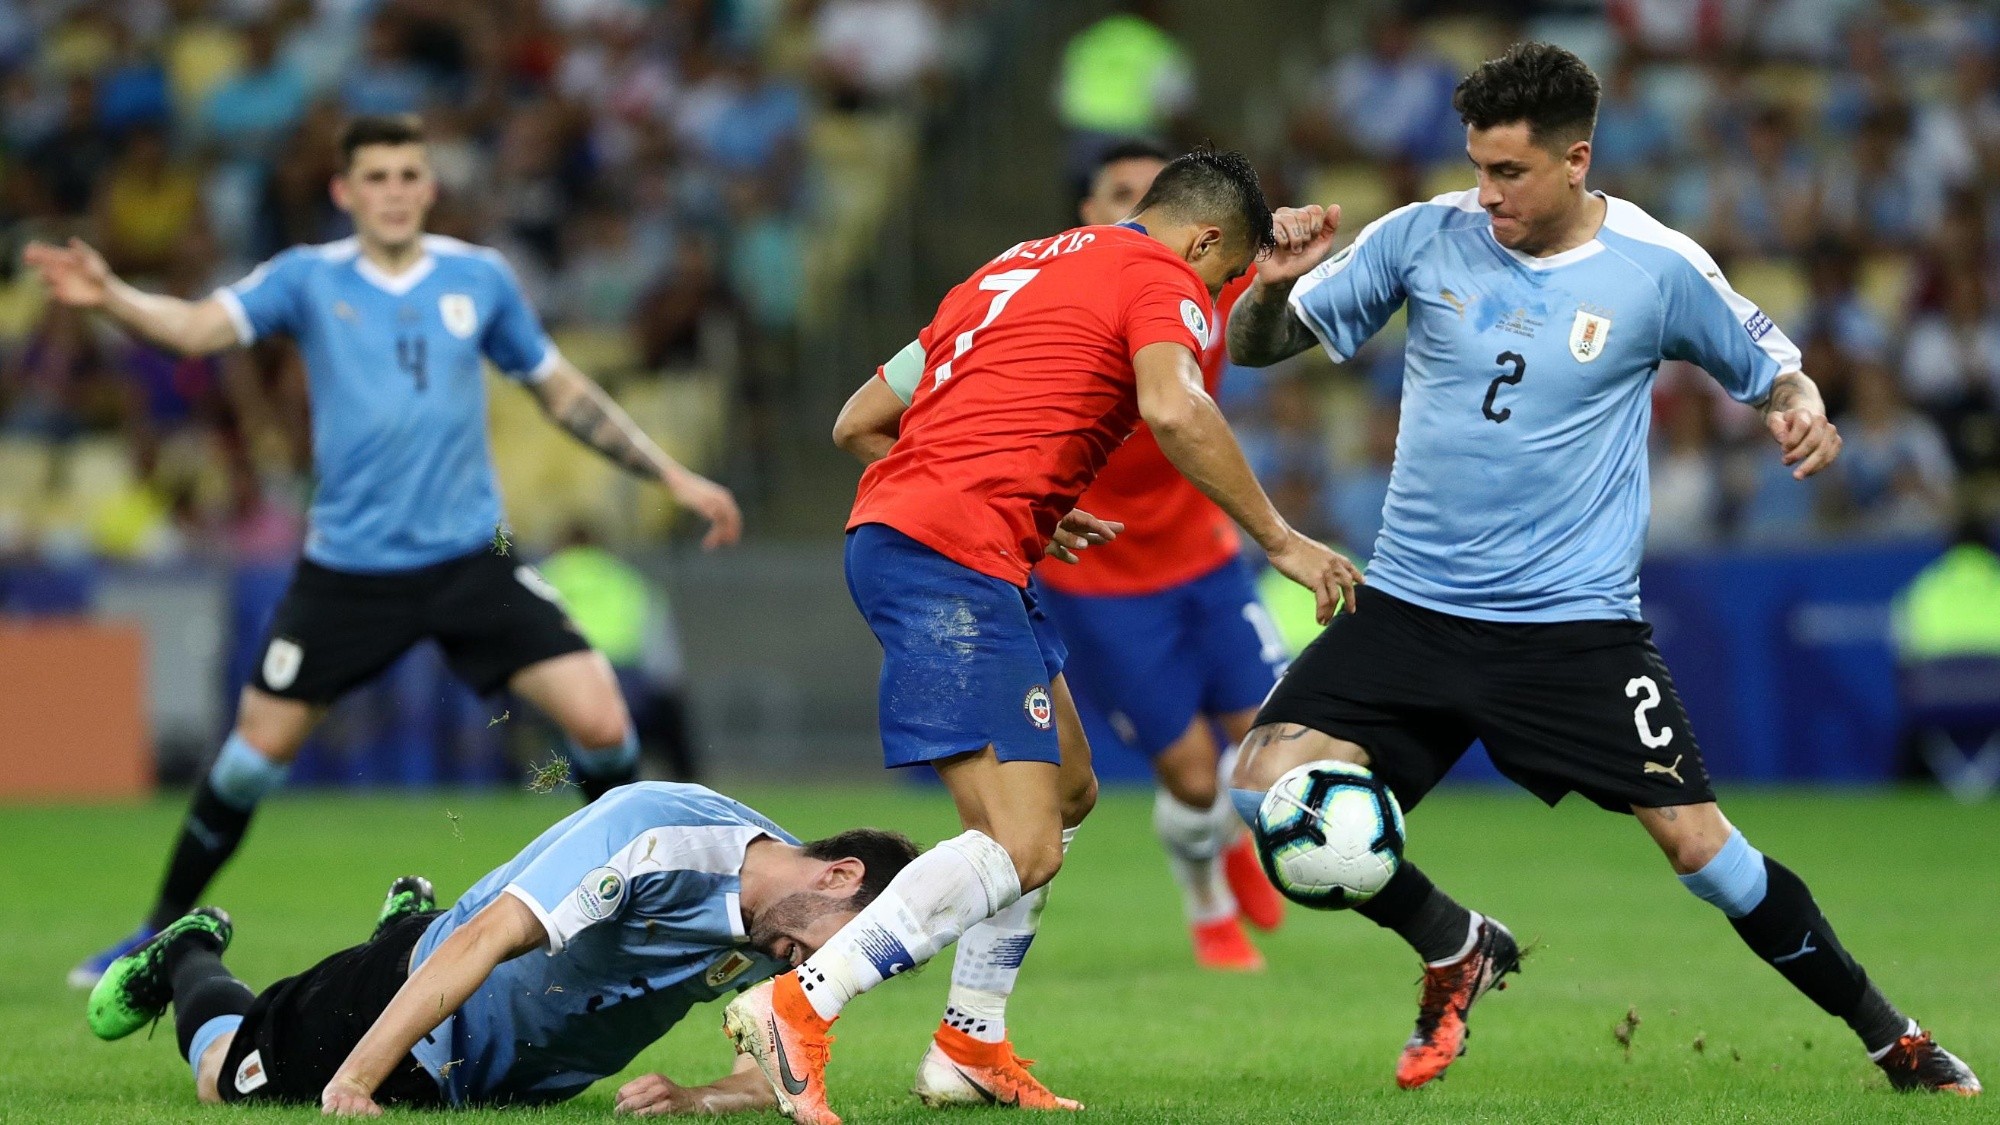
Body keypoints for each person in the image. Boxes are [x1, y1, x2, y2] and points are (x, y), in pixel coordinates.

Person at [1223, 42, 1980, 1096]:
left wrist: (1798, 408)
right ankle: (1453, 944)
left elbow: (1773, 370)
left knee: (1700, 851)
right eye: (1476, 168)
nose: (1484, 196)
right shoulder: (1419, 236)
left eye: (1508, 175)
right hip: (1410, 609)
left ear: (1575, 159)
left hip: (1567, 629)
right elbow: (1257, 348)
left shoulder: (1654, 266)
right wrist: (1266, 289)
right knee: (1263, 786)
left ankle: (1890, 1038)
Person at [29, 113, 744, 989]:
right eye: (377, 177)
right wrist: (111, 297)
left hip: (469, 561)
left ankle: (627, 908)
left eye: (410, 174)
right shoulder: (307, 276)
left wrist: (672, 475)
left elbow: (562, 391)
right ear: (344, 190)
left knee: (601, 719)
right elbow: (194, 329)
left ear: (429, 185)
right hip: (349, 574)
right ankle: (147, 934)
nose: (395, 191)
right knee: (251, 757)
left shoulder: (478, 279)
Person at [721, 148, 1358, 1125]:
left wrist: (1011, 493)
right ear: (1202, 242)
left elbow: (860, 420)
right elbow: (1172, 406)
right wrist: (1279, 537)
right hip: (949, 561)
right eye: (1221, 278)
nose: (1212, 299)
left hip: (934, 544)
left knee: (1065, 791)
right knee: (1020, 842)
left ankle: (968, 1043)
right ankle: (798, 1004)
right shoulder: (1162, 277)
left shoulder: (1014, 266)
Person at [84, 782, 918, 1114]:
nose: (842, 972)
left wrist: (700, 1096)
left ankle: (405, 921)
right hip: (414, 1003)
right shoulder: (656, 835)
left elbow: (773, 1061)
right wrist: (354, 1077)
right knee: (225, 1078)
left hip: (516, 1076)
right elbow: (491, 938)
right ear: (841, 874)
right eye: (861, 947)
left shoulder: (792, 934)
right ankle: (188, 952)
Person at [1034, 139, 1288, 971]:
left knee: (1272, 746)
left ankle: (1234, 844)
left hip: (1204, 551)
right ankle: (1208, 900)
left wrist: (1296, 248)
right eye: (1122, 194)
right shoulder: (1057, 302)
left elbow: (1283, 280)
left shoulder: (1204, 286)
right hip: (1101, 576)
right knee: (1189, 775)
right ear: (1088, 215)